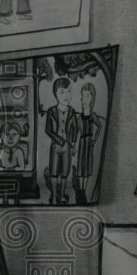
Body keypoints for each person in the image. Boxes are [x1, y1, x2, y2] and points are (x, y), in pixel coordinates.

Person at [44, 77, 78, 205]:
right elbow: (48, 130)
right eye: (62, 92)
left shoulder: (72, 111)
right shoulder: (51, 111)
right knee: (54, 172)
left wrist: (73, 143)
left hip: (67, 147)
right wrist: (58, 139)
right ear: (55, 94)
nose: (66, 95)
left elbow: (74, 129)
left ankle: (62, 194)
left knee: (64, 172)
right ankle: (53, 195)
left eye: (69, 91)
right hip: (55, 146)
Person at [75, 81, 102, 203]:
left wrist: (95, 139)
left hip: (89, 143)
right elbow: (75, 131)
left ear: (92, 98)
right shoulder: (79, 117)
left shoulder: (92, 115)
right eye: (83, 96)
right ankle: (80, 191)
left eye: (88, 96)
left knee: (86, 169)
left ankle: (83, 191)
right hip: (81, 142)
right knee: (81, 168)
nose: (85, 99)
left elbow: (99, 126)